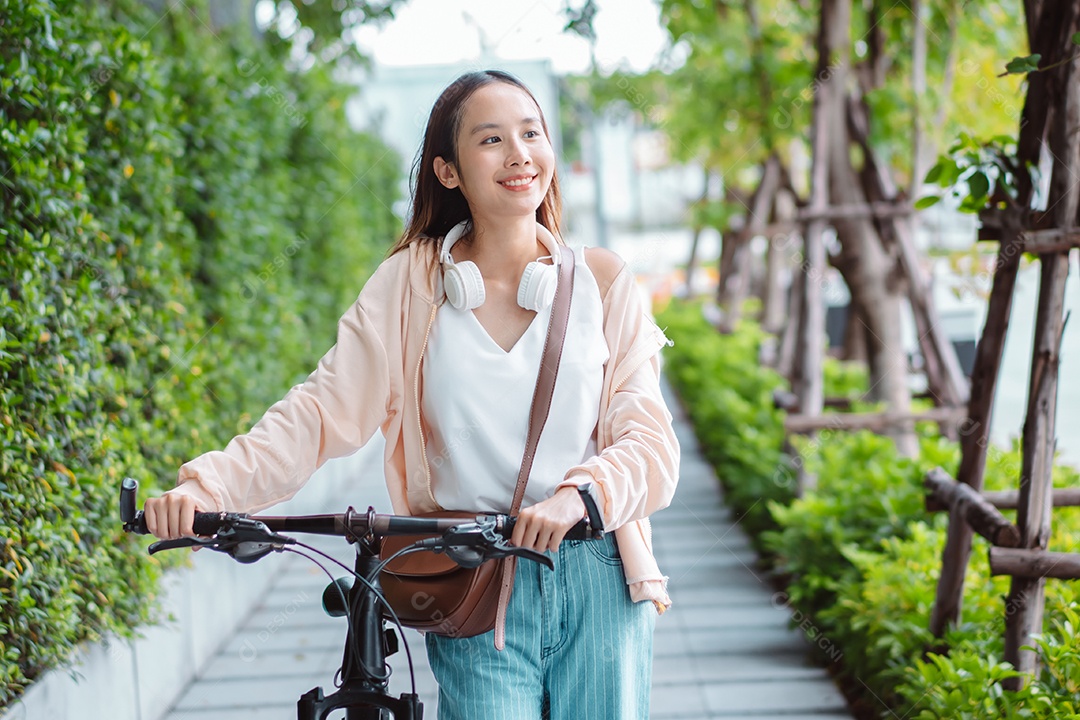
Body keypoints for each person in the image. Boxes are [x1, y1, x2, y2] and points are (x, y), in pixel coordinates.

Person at [145, 69, 680, 719]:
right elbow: (319, 410)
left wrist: (577, 495)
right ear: (447, 171)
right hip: (472, 579)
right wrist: (209, 487)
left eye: (531, 133)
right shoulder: (410, 287)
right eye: (491, 140)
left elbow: (650, 442)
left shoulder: (603, 281)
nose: (519, 154)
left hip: (599, 574)